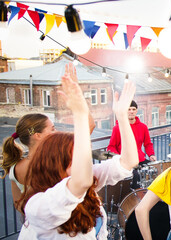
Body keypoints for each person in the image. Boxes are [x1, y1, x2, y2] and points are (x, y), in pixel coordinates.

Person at [16, 72, 139, 239]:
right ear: (58, 162)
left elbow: (129, 161)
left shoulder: (86, 179)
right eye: (76, 156)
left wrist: (122, 116)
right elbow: (81, 182)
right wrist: (80, 114)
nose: (84, 161)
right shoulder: (38, 207)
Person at [1, 63, 94, 211]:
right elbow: (89, 126)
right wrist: (78, 95)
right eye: (52, 128)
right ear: (38, 135)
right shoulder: (57, 154)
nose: (56, 131)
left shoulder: (14, 168)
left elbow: (18, 205)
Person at [107, 99, 156, 189]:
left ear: (136, 111)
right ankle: (135, 198)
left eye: (133, 109)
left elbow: (148, 144)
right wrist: (119, 159)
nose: (131, 112)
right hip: (126, 162)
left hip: (140, 159)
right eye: (129, 109)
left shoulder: (143, 127)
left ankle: (153, 197)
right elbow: (111, 147)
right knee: (136, 176)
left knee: (155, 170)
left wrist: (151, 154)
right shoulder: (118, 128)